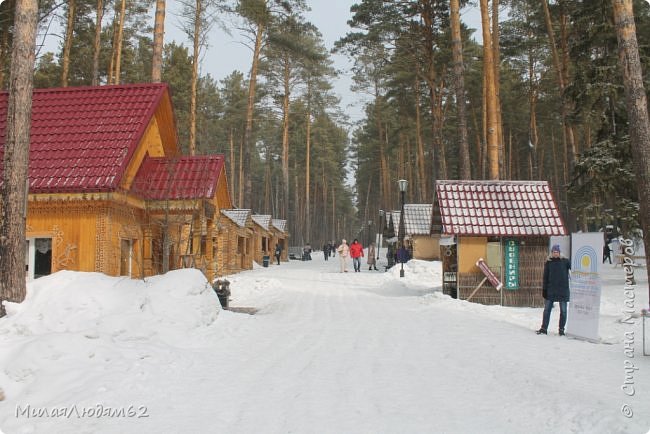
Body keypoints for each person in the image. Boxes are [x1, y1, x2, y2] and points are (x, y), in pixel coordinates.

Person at [537, 244, 571, 336]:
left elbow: (575, 269)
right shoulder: (549, 262)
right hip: (551, 290)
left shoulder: (565, 261)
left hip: (563, 290)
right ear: (551, 253)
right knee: (547, 310)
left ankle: (561, 330)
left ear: (559, 253)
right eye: (554, 252)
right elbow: (545, 277)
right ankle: (544, 328)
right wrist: (544, 289)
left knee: (563, 311)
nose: (555, 253)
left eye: (557, 252)